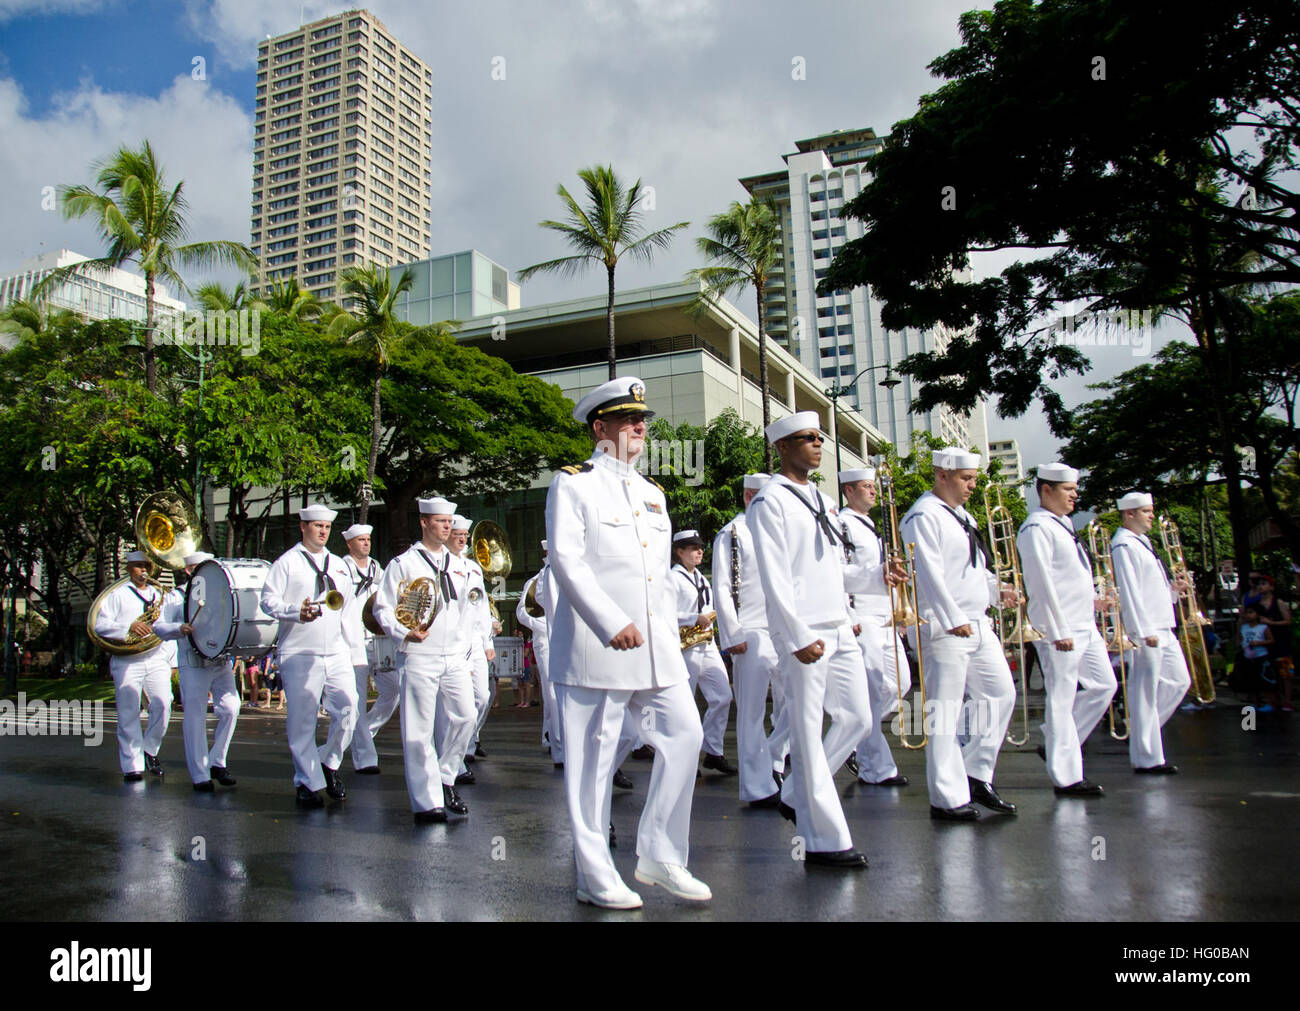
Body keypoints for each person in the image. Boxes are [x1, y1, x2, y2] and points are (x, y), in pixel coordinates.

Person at [546, 375, 710, 908]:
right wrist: (607, 620)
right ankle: (594, 875)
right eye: (627, 419)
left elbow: (655, 577)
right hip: (598, 647)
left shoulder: (652, 493)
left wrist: (667, 635)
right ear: (600, 428)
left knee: (685, 734)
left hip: (655, 644)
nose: (640, 425)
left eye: (642, 419)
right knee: (593, 763)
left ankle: (662, 854)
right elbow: (567, 561)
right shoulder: (572, 483)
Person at [748, 411, 874, 868]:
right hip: (806, 633)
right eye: (807, 438)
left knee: (858, 718)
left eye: (820, 438)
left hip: (839, 625)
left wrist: (878, 576)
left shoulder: (820, 499)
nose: (818, 445)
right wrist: (796, 634)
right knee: (805, 733)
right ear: (783, 447)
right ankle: (823, 839)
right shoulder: (770, 501)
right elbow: (775, 575)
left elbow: (831, 567)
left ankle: (797, 790)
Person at [902, 447, 1020, 821]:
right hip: (945, 625)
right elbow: (927, 570)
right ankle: (946, 797)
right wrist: (952, 616)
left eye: (973, 479)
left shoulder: (961, 516)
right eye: (966, 479)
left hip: (977, 621)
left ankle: (975, 774)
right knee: (945, 712)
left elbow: (975, 565)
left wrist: (998, 590)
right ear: (942, 476)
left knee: (1001, 694)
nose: (972, 486)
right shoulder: (923, 515)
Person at [371, 496, 477, 824]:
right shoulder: (404, 564)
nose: (447, 527)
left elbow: (465, 611)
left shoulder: (459, 564)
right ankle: (426, 802)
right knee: (418, 731)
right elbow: (382, 608)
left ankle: (445, 777)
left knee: (466, 717)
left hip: (454, 655)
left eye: (449, 521)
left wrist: (466, 648)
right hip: (418, 655)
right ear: (424, 522)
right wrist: (403, 632)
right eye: (441, 521)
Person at [1015, 463, 1116, 797]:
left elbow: (1071, 577)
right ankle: (1067, 777)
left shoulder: (1064, 525)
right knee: (1061, 698)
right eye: (1068, 490)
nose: (1075, 495)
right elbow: (1041, 582)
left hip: (1084, 623)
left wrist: (1095, 602)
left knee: (1104, 685)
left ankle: (1057, 739)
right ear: (1046, 490)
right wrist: (1058, 629)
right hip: (1061, 629)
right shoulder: (1036, 528)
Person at [259, 503, 360, 808]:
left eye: (327, 527)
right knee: (303, 721)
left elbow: (349, 608)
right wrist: (293, 611)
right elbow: (267, 601)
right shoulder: (287, 563)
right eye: (317, 526)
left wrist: (354, 648)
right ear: (304, 527)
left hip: (336, 649)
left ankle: (328, 762)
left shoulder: (339, 564)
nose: (322, 532)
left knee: (349, 708)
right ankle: (306, 781)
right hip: (301, 651)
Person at [713, 473, 791, 807]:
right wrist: (732, 633)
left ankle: (772, 757)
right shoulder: (733, 532)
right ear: (748, 497)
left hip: (783, 629)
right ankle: (757, 787)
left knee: (797, 702)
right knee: (751, 712)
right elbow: (721, 586)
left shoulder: (781, 531)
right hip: (751, 629)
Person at [837, 468, 911, 789]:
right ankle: (876, 767)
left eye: (873, 487)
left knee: (900, 685)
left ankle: (854, 734)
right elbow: (838, 571)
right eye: (866, 487)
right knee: (872, 690)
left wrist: (899, 610)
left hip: (885, 615)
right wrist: (846, 614)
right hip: (862, 615)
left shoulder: (874, 527)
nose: (873, 492)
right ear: (849, 491)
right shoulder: (842, 524)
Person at [1109, 491, 1191, 774]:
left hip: (1163, 624)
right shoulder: (1123, 545)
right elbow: (1130, 592)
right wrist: (1141, 631)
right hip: (1148, 629)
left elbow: (1152, 589)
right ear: (1129, 514)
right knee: (1143, 693)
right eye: (1146, 511)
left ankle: (1143, 734)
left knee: (1179, 682)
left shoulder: (1143, 543)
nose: (1152, 516)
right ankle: (1147, 757)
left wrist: (1174, 591)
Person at [154, 551, 241, 791]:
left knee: (232, 708)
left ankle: (217, 761)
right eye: (198, 567)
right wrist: (177, 627)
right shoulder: (176, 597)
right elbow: (158, 627)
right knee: (195, 716)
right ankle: (200, 774)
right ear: (188, 570)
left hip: (219, 660)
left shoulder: (221, 592)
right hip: (193, 661)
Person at [93, 549, 172, 781]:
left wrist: (171, 659)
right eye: (139, 566)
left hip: (156, 657)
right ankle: (132, 766)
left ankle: (149, 749)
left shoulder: (160, 594)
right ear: (128, 569)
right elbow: (100, 625)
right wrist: (128, 627)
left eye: (147, 566)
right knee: (129, 712)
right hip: (127, 659)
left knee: (164, 704)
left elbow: (167, 625)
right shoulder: (117, 594)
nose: (144, 571)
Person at [671, 530, 737, 776]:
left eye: (700, 547)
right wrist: (691, 618)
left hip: (706, 644)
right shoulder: (673, 579)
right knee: (684, 703)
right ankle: (684, 758)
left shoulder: (701, 577)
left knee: (722, 695)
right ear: (680, 552)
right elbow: (664, 612)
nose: (699, 551)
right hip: (684, 645)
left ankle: (713, 750)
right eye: (692, 548)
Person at [447, 514, 496, 778]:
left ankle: (466, 743)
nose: (463, 540)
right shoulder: (440, 565)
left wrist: (487, 641)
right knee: (454, 705)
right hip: (452, 642)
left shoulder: (474, 568)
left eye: (465, 536)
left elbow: (481, 608)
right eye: (458, 535)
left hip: (475, 642)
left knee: (483, 697)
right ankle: (455, 758)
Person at [339, 523, 388, 775]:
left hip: (376, 637)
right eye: (360, 540)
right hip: (353, 638)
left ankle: (363, 732)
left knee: (394, 690)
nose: (366, 543)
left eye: (368, 539)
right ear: (350, 544)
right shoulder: (342, 568)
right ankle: (365, 758)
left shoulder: (376, 568)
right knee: (357, 699)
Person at [1244, 572, 1293, 712]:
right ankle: (1272, 700)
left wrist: (1272, 623)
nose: (1260, 586)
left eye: (1264, 584)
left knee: (1285, 671)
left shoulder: (1278, 602)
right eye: (1259, 584)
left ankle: (1287, 701)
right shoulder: (1256, 605)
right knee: (1269, 672)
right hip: (1263, 644)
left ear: (1271, 587)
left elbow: (1288, 621)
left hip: (1280, 641)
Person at [1237, 605, 1275, 710]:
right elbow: (1240, 639)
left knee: (1265, 680)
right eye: (1247, 613)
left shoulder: (1263, 627)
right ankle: (1255, 702)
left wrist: (1259, 642)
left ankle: (1269, 703)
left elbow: (1271, 640)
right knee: (1251, 680)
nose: (1248, 615)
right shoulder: (1244, 627)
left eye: (1251, 612)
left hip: (1261, 655)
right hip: (1248, 656)